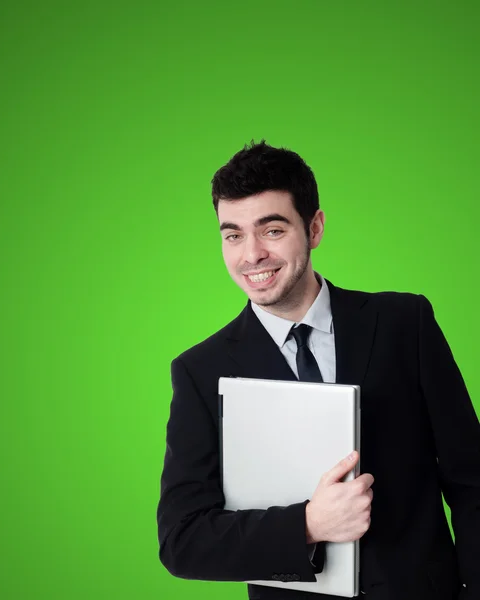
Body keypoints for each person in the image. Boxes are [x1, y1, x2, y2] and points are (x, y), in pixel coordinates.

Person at [156, 141, 480, 600]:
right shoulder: (200, 372)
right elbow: (182, 542)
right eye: (232, 235)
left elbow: (472, 481)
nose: (251, 255)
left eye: (271, 230)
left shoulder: (405, 324)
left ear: (315, 227)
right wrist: (307, 524)